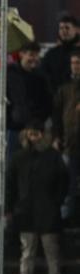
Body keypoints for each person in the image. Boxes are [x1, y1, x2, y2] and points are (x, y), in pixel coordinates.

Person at [6, 122, 69, 274]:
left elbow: (63, 181)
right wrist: (11, 207)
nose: (33, 138)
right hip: (26, 213)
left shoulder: (53, 157)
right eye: (31, 134)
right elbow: (10, 184)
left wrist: (56, 202)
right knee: (27, 250)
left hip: (48, 213)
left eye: (36, 134)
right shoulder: (19, 158)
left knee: (51, 250)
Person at [0, 42, 51, 153]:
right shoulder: (8, 73)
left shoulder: (42, 76)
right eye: (31, 55)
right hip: (13, 130)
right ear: (22, 54)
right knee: (12, 164)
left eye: (37, 55)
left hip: (35, 131)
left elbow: (47, 103)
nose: (35, 58)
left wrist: (38, 122)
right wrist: (7, 122)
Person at [52, 49, 80, 208]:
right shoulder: (64, 88)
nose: (76, 66)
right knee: (68, 182)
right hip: (70, 143)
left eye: (78, 63)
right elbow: (56, 115)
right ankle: (67, 217)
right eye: (74, 63)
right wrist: (56, 137)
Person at [41, 14, 80, 91]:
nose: (64, 31)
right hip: (55, 97)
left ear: (76, 30)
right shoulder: (51, 54)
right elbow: (43, 76)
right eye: (61, 28)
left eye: (67, 28)